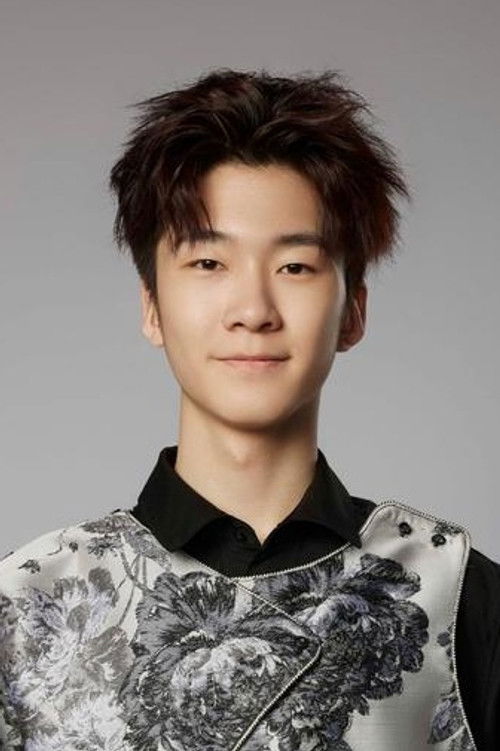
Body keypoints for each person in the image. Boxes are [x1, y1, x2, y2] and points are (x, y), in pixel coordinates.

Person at [1, 68, 498, 751]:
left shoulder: (457, 593)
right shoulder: (28, 604)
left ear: (352, 311)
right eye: (209, 263)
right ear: (152, 305)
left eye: (295, 267)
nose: (253, 311)